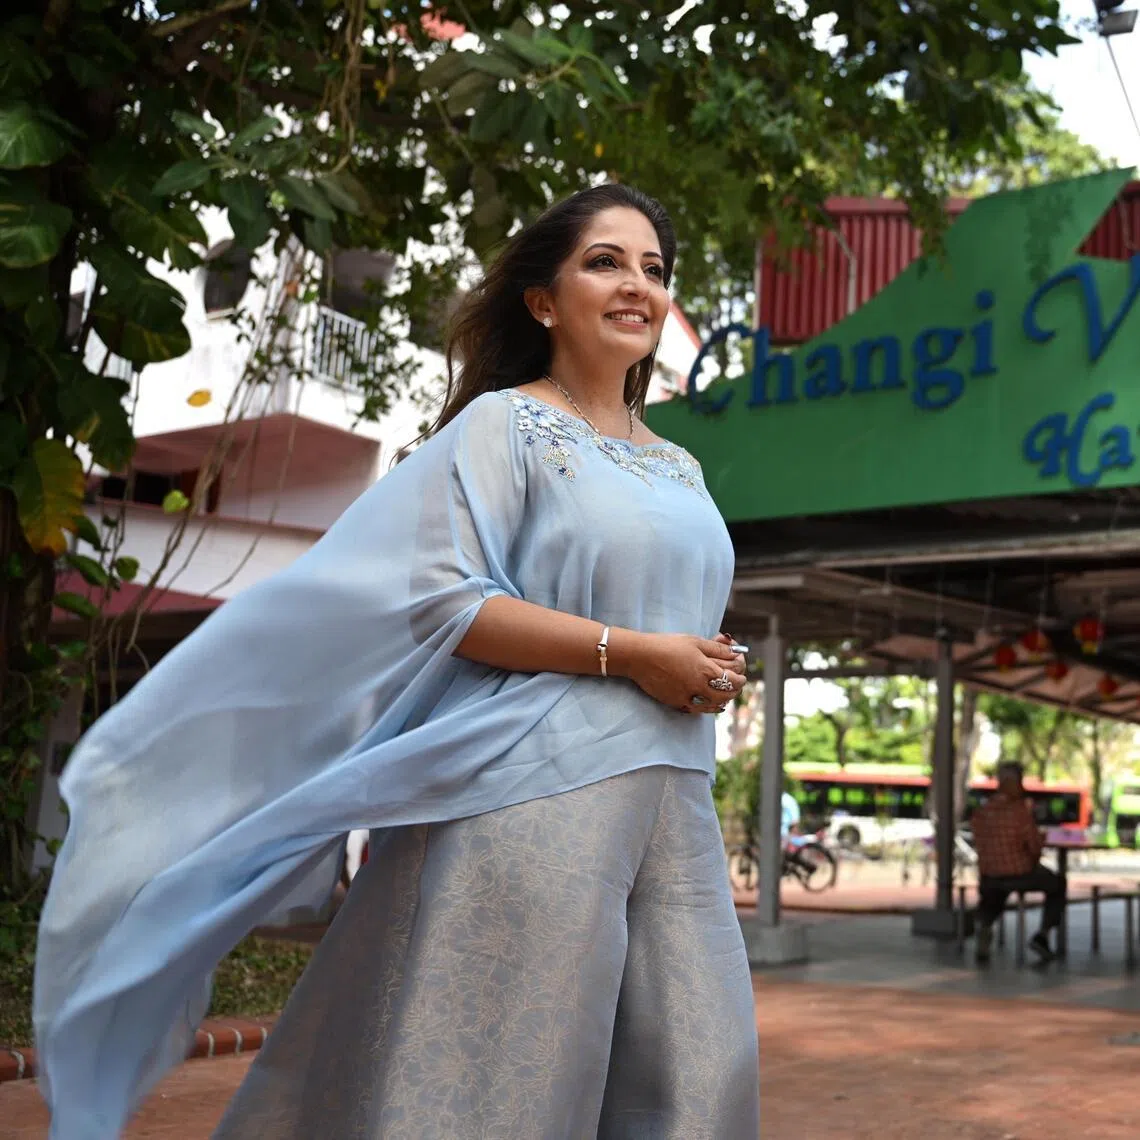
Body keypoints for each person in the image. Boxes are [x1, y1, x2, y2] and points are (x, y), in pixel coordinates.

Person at [34, 184, 762, 1138]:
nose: (638, 285)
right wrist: (633, 655)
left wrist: (703, 665)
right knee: (505, 1092)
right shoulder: (505, 426)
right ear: (543, 301)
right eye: (606, 261)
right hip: (534, 797)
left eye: (655, 270)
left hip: (677, 796)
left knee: (703, 1079)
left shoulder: (681, 467)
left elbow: (671, 619)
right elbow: (445, 603)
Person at [971, 761, 1066, 964]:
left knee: (996, 889)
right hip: (1020, 874)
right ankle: (1043, 935)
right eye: (1019, 781)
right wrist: (1040, 840)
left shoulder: (981, 813)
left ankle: (985, 927)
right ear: (1010, 783)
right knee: (1057, 883)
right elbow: (1033, 846)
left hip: (989, 876)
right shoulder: (1020, 811)